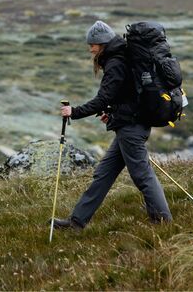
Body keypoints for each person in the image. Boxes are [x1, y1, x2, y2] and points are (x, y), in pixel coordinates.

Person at [51, 20, 172, 230]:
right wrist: (112, 113)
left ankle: (163, 222)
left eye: (93, 44)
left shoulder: (115, 63)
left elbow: (103, 97)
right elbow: (124, 96)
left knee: (143, 177)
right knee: (103, 175)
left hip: (131, 130)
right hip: (130, 125)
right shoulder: (121, 58)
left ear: (103, 43)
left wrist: (74, 112)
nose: (90, 49)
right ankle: (77, 222)